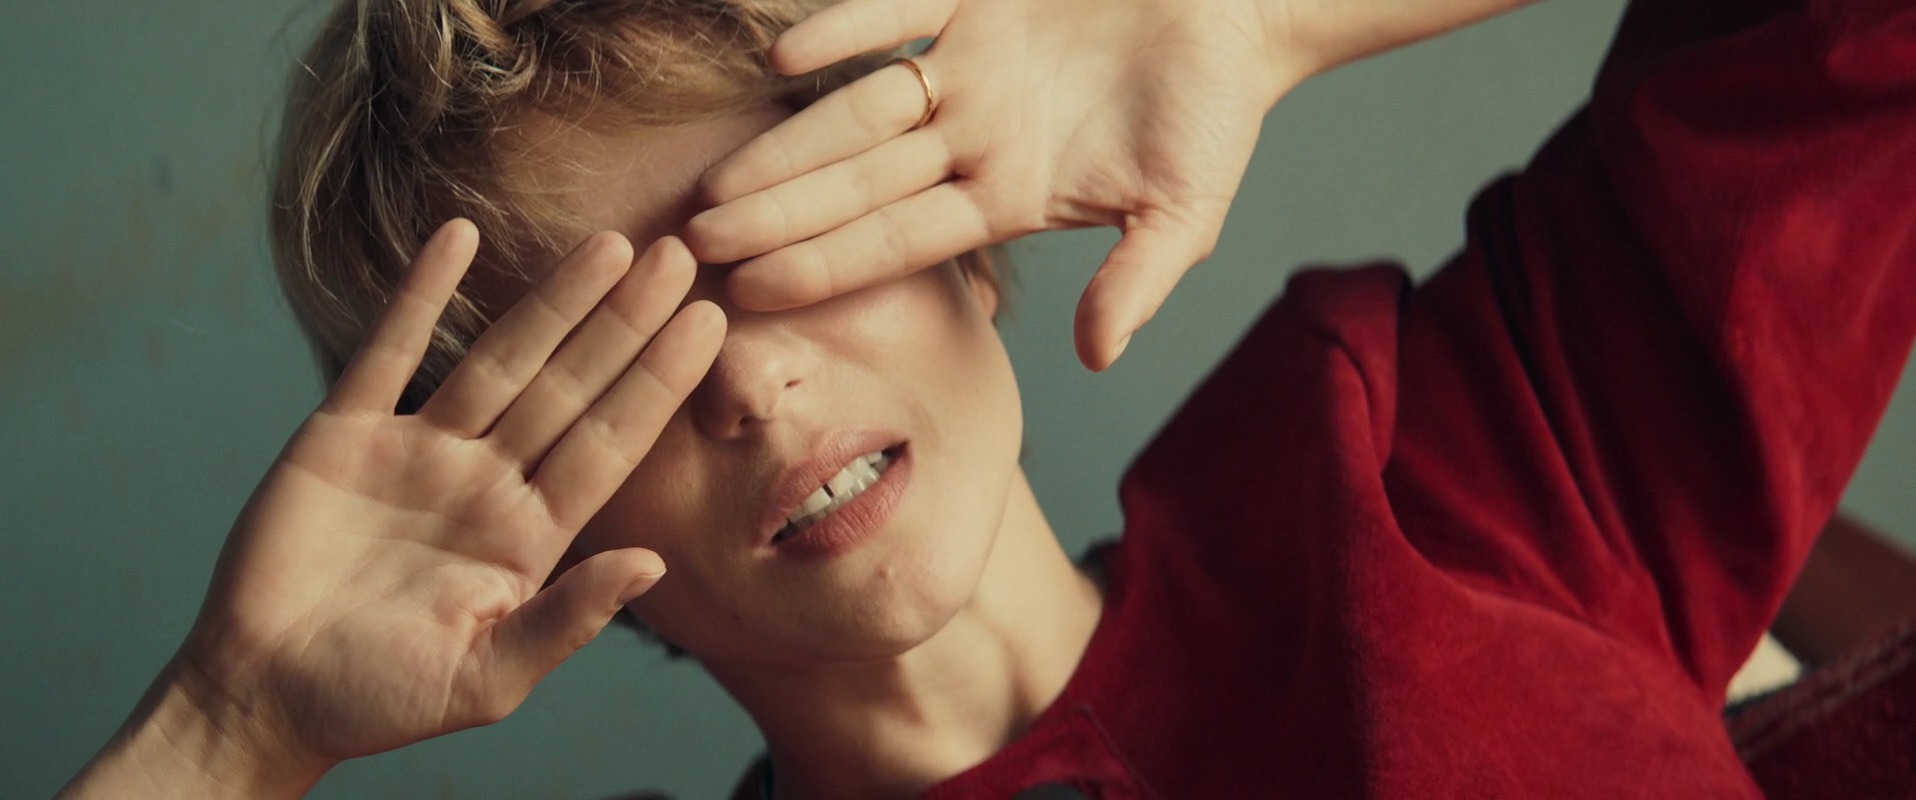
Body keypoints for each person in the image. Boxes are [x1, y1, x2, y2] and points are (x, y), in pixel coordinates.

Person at [61, 0, 1916, 795]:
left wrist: (1248, 18)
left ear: (958, 221)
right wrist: (227, 731)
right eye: (610, 357)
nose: (748, 382)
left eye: (770, 237)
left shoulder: (1397, 471)